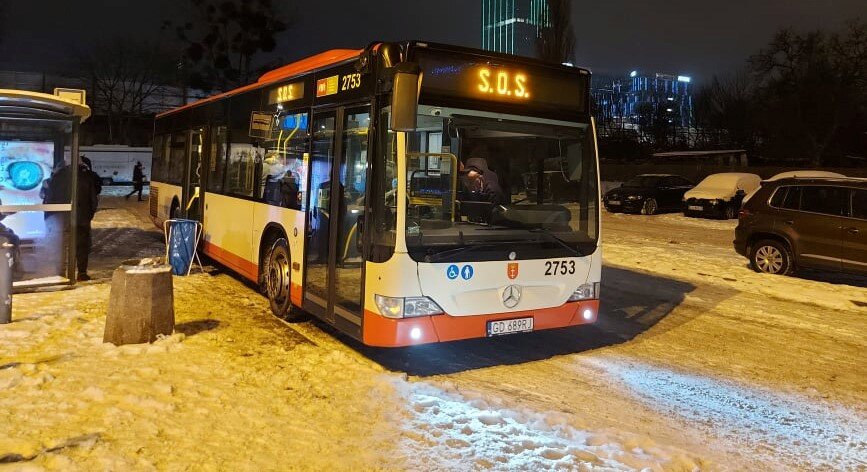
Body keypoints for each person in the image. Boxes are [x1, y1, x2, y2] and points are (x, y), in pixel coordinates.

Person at [43, 157, 101, 282]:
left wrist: (51, 216)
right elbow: (93, 200)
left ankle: (61, 272)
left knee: (62, 245)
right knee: (81, 246)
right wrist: (88, 216)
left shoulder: (57, 177)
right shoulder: (87, 177)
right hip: (81, 218)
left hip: (61, 218)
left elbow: (49, 198)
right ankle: (81, 273)